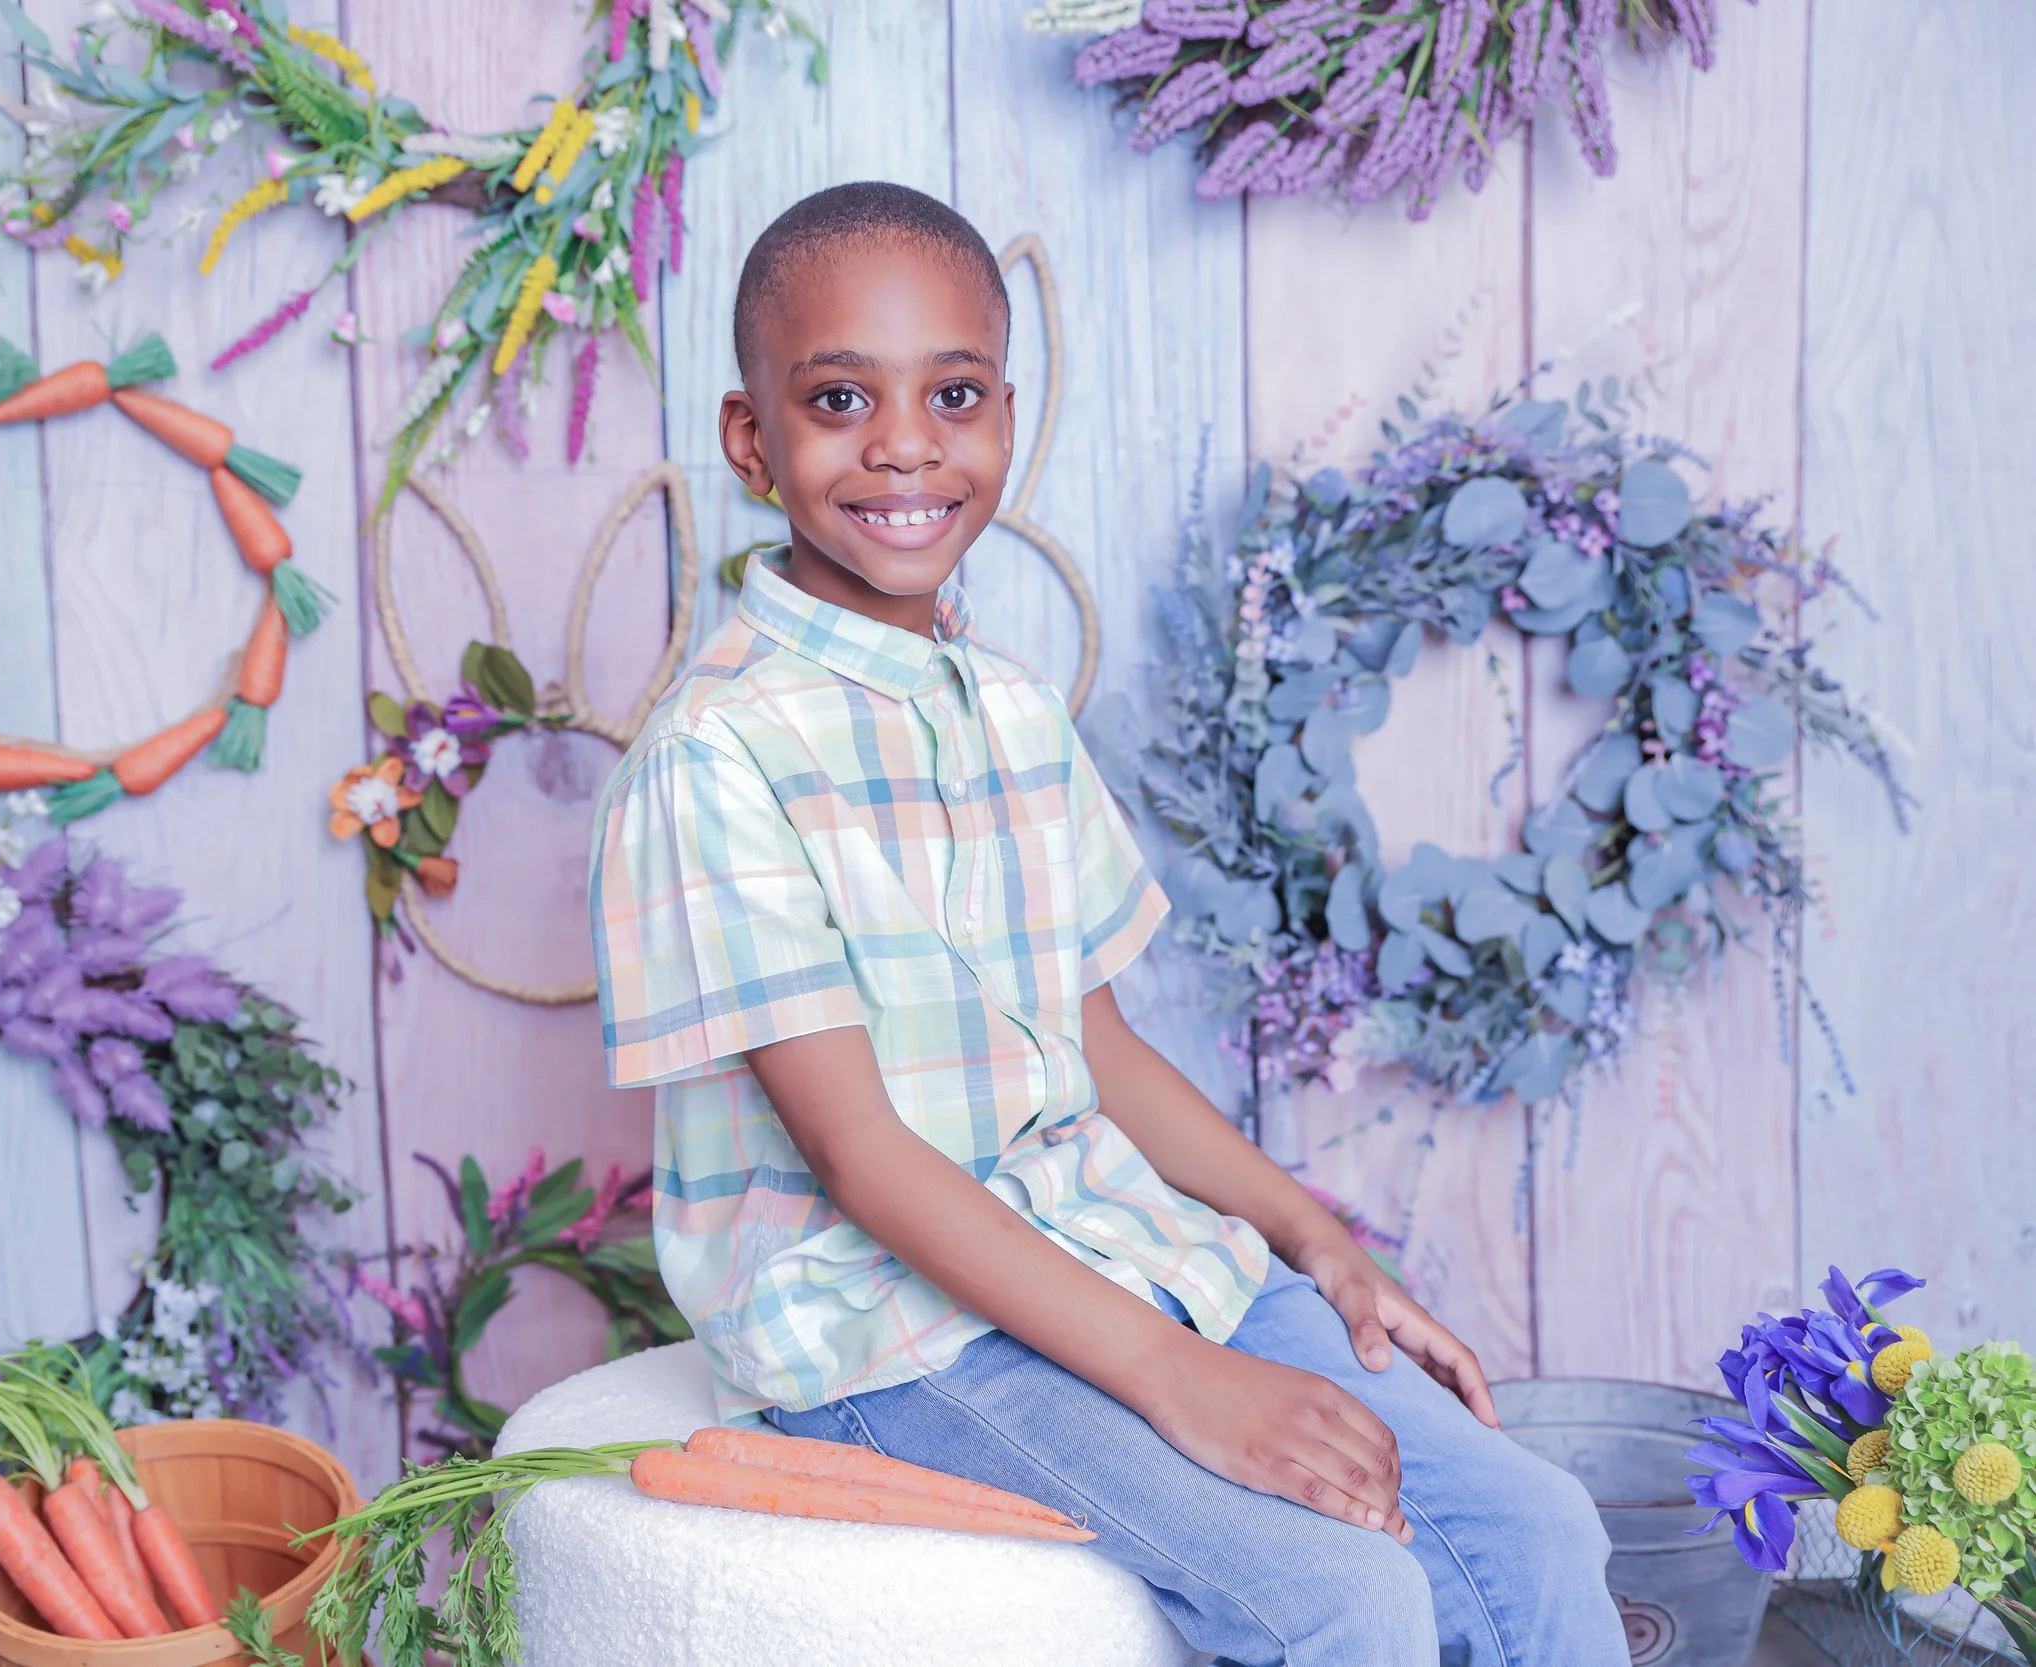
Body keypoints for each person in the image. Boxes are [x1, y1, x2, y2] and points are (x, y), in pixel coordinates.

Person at [588, 180, 1629, 1666]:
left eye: (953, 394)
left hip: (1110, 1239)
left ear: (1007, 418)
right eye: (837, 398)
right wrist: (1177, 1377)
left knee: (1537, 1528)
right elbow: (858, 1154)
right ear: (753, 440)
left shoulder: (1007, 707)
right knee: (1343, 1595)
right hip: (887, 1324)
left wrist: (1311, 1237)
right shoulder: (716, 754)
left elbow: (1096, 1046)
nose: (903, 444)